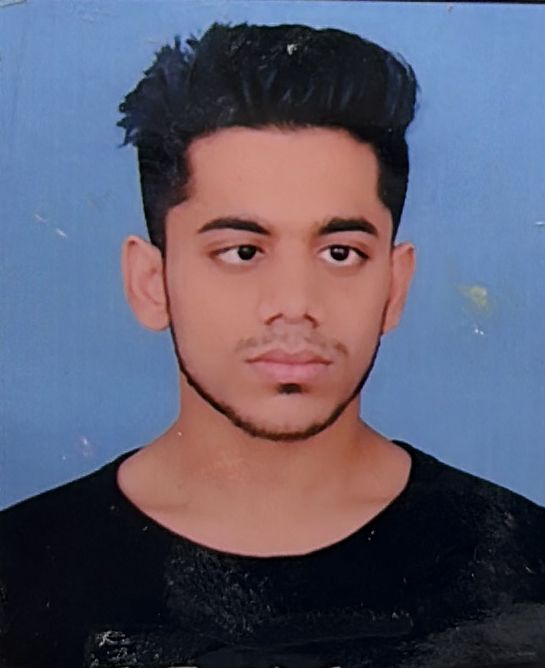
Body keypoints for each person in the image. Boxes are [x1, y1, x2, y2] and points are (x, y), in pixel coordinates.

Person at [1, 21, 544, 668]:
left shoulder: (524, 562)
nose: (294, 302)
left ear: (394, 286)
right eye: (241, 251)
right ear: (150, 282)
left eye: (340, 252)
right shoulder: (20, 571)